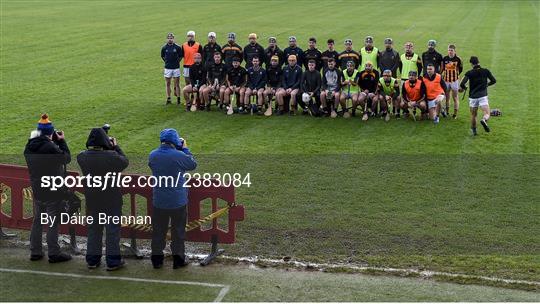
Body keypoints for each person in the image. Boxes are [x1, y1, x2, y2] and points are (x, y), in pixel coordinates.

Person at [77, 127, 129, 271]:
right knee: (112, 231)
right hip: (111, 199)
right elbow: (124, 162)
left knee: (94, 230)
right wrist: (115, 146)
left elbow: (90, 153)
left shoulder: (82, 157)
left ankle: (92, 260)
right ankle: (113, 261)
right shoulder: (111, 156)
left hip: (93, 200)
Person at [24, 114, 72, 263]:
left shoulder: (29, 146)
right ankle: (53, 253)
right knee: (52, 222)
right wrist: (62, 141)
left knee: (38, 220)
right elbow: (66, 158)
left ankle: (35, 251)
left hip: (38, 189)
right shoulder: (51, 147)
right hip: (52, 190)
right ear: (50, 133)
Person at [148, 129, 197, 269]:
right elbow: (192, 165)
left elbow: (152, 165)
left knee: (158, 232)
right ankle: (178, 260)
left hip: (159, 200)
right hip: (177, 201)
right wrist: (185, 149)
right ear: (175, 141)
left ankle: (156, 261)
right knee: (178, 232)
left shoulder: (153, 155)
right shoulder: (179, 155)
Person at [459, 56, 496, 135]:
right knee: (487, 113)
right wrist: (487, 85)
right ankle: (484, 120)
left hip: (473, 97)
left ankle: (474, 131)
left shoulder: (469, 73)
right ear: (478, 62)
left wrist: (465, 88)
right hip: (482, 96)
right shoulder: (485, 71)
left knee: (473, 115)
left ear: (471, 64)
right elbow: (493, 81)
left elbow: (462, 84)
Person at [442, 44, 463, 118]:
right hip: (446, 80)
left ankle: (455, 114)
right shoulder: (444, 58)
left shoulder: (458, 59)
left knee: (455, 97)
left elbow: (460, 69)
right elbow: (442, 69)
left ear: (454, 51)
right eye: (449, 50)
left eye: (451, 50)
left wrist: (455, 76)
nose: (450, 52)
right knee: (447, 97)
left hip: (454, 81)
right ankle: (447, 112)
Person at [161, 33, 183, 105]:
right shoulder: (164, 48)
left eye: (171, 38)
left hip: (176, 68)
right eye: (169, 38)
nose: (170, 39)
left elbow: (180, 56)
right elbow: (163, 56)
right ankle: (168, 98)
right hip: (167, 68)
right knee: (168, 83)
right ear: (167, 39)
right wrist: (167, 62)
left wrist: (176, 62)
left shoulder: (177, 47)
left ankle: (178, 99)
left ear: (173, 39)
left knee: (177, 83)